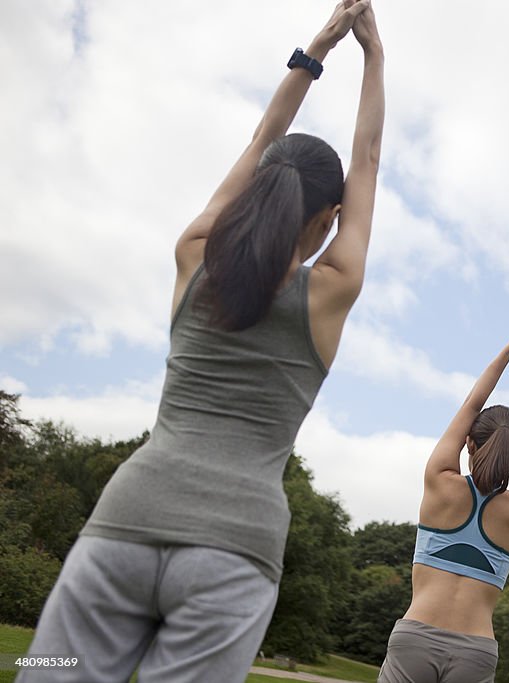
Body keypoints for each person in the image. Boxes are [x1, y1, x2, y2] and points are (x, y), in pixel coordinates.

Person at [19, 3, 384, 682]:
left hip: (120, 530)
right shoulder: (331, 288)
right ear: (329, 219)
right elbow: (365, 158)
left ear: (255, 191)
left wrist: (318, 49)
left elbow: (258, 142)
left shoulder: (194, 257)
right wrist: (374, 56)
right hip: (233, 555)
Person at [378, 308, 509, 683]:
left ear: (469, 442)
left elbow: (471, 404)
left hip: (415, 638)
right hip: (476, 651)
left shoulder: (441, 481)